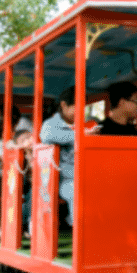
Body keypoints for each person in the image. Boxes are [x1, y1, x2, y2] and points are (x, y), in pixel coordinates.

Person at [40, 86, 78, 227]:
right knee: (76, 190)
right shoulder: (50, 125)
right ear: (63, 105)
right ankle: (78, 230)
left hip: (82, 175)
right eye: (77, 106)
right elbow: (46, 136)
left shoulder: (81, 124)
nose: (81, 111)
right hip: (61, 180)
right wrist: (79, 136)